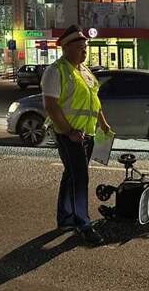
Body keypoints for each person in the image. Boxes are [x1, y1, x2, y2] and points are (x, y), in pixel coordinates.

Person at [41, 25, 112, 245]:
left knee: (72, 175)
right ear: (66, 48)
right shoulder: (56, 71)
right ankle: (83, 224)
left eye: (85, 48)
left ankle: (65, 218)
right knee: (80, 178)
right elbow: (51, 106)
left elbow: (94, 102)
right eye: (80, 48)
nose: (84, 51)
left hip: (87, 134)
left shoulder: (86, 72)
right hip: (68, 134)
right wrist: (69, 131)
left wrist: (103, 124)